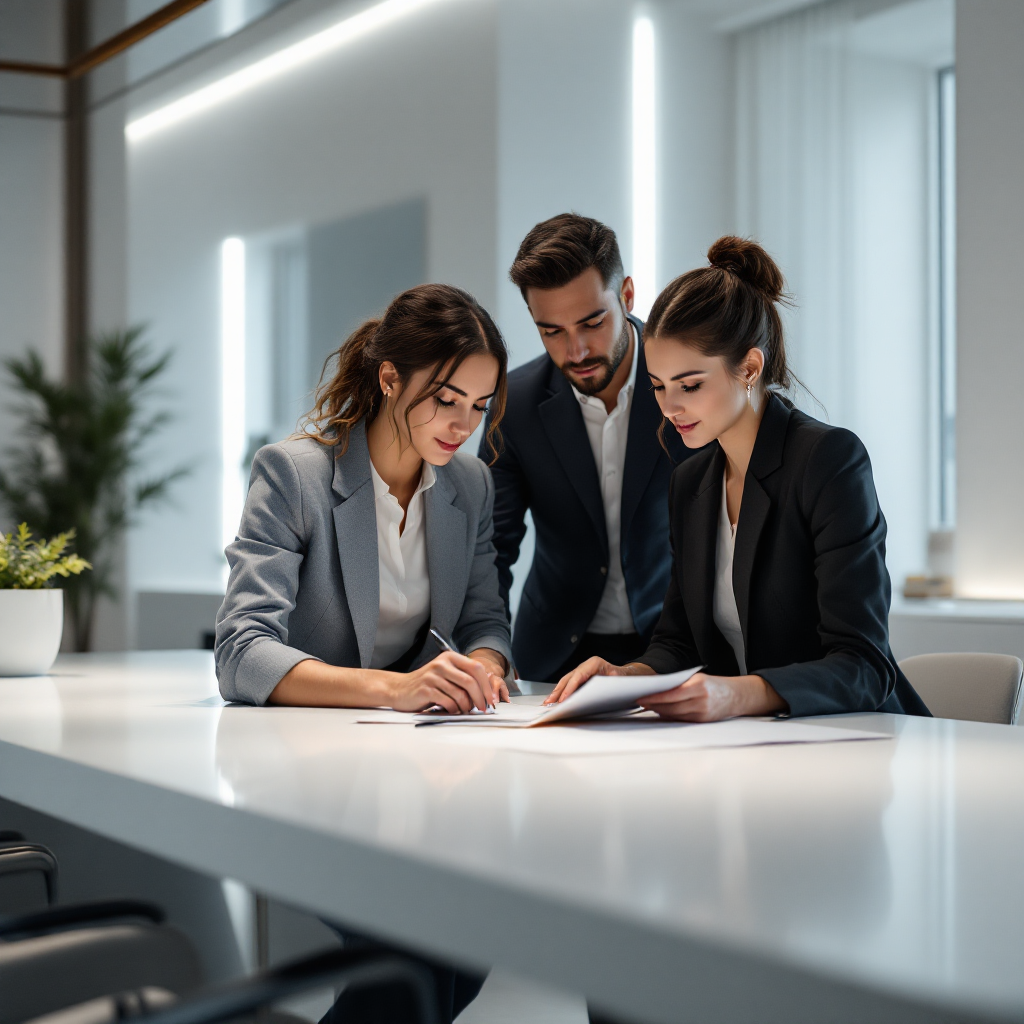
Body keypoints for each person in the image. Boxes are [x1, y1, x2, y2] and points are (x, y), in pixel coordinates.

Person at [215, 283, 514, 1024]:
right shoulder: (296, 475)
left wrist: (486, 666)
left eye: (479, 406)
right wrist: (396, 688)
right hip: (305, 777)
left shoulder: (469, 486)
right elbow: (242, 650)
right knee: (412, 959)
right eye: (446, 399)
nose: (462, 425)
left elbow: (485, 617)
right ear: (390, 379)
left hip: (420, 778)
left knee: (464, 946)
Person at [548, 236, 930, 720]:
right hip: (756, 746)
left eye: (690, 385)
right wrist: (627, 677)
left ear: (749, 368)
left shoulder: (828, 461)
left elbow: (863, 665)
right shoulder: (690, 482)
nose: (669, 407)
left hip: (860, 740)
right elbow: (678, 642)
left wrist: (735, 694)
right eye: (658, 386)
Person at [482, 214, 692, 683]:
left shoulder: (691, 384)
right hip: (552, 658)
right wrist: (490, 650)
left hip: (673, 650)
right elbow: (490, 548)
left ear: (629, 295)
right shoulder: (513, 406)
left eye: (592, 322)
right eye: (551, 331)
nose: (575, 351)